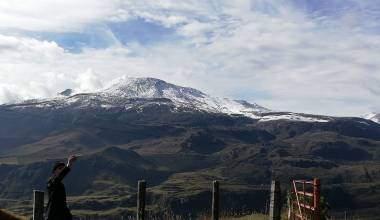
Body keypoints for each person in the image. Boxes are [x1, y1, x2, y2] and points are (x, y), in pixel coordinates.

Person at [45, 155, 78, 220]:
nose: (62, 170)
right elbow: (59, 177)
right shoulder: (51, 182)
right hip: (54, 215)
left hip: (63, 214)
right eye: (60, 168)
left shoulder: (59, 183)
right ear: (54, 171)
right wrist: (68, 165)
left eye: (63, 168)